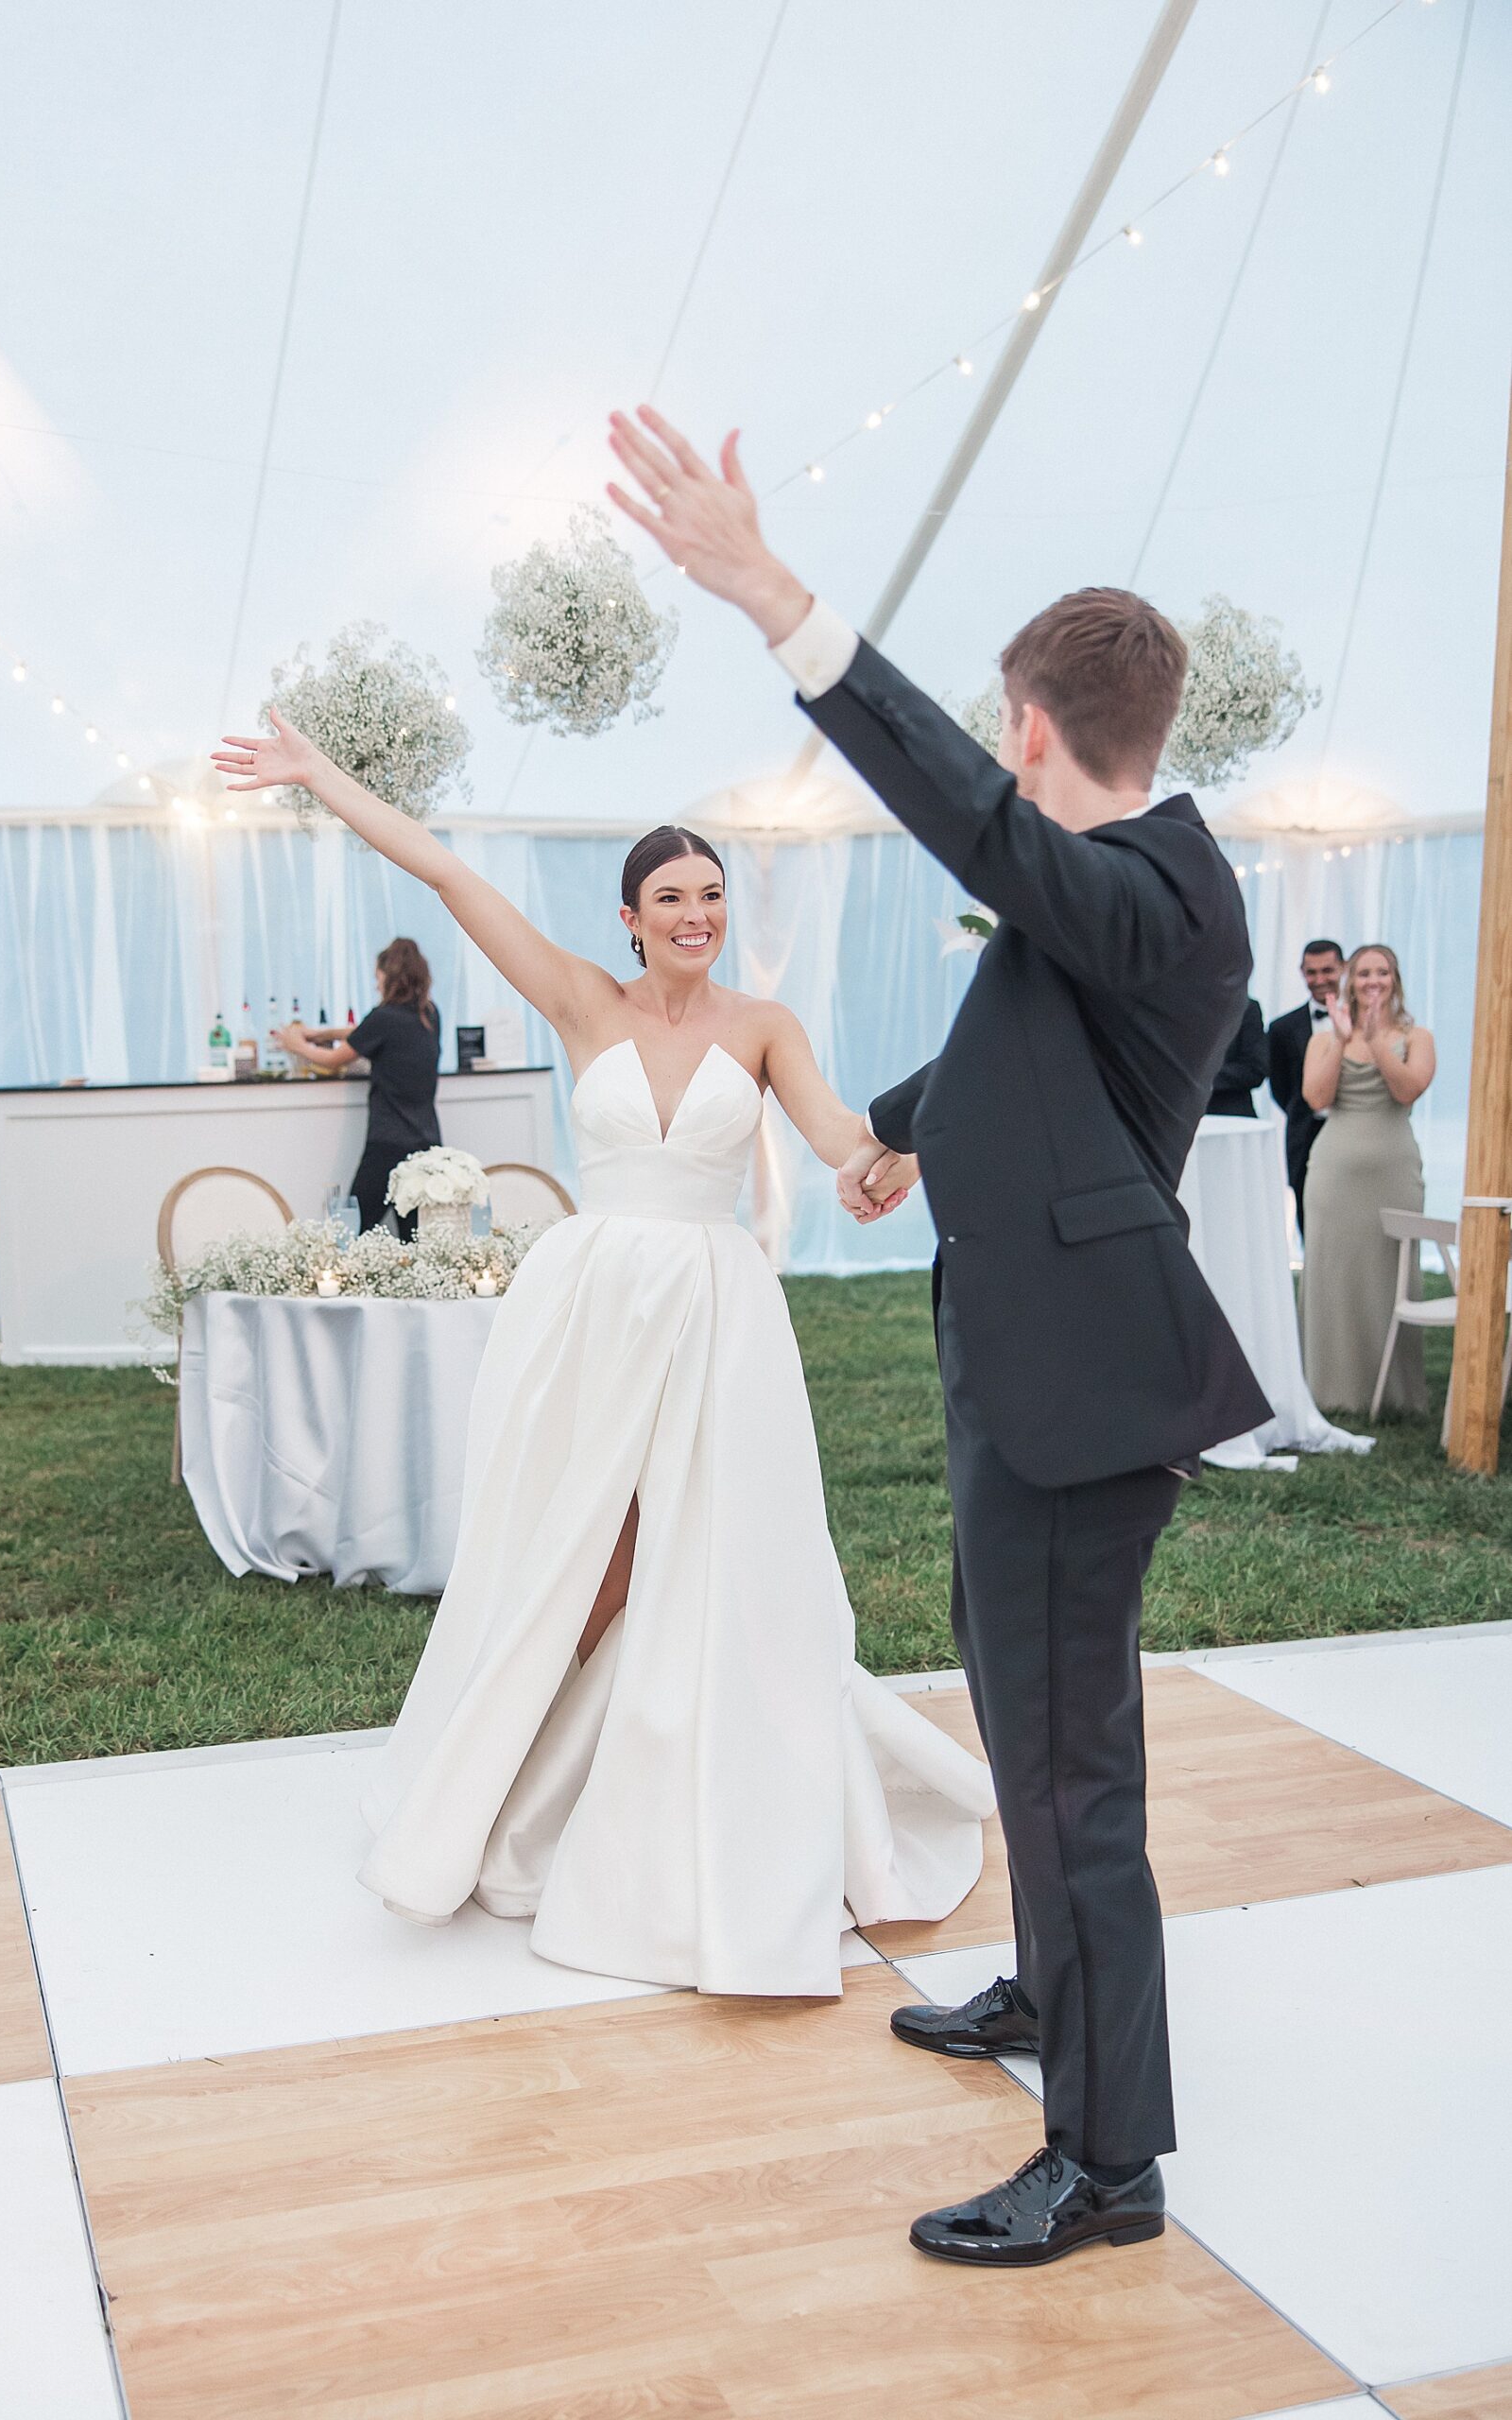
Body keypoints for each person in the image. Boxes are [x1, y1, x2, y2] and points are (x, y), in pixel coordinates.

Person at [605, 402, 1268, 2273]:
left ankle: (1110, 2163)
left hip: (1082, 1392)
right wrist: (888, 1119)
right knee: (1020, 1710)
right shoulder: (1108, 909)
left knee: (1072, 1773)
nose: (996, 758)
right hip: (1019, 1361)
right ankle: (1052, 1995)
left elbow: (977, 828)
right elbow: (1017, 1052)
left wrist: (775, 601)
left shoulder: (1155, 887)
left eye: (1001, 733)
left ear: (1030, 728)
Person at [211, 721, 996, 1999]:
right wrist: (318, 779)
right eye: (670, 900)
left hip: (716, 1312)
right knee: (585, 1552)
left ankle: (679, 1803)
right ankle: (528, 1795)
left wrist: (893, 1156)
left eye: (710, 898)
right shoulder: (583, 1000)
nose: (695, 916)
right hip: (593, 1308)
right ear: (629, 917)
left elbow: (840, 1137)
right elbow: (451, 878)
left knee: (711, 1554)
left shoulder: (763, 1023)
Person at [1299, 943, 1435, 1416]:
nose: (1373, 980)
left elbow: (1407, 1089)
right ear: (1349, 982)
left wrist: (1377, 1040)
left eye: (1383, 972)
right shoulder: (1322, 1039)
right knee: (1334, 1275)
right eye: (1363, 973)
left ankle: (1394, 1395)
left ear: (1394, 980)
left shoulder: (1417, 1037)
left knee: (1389, 1276)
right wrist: (1340, 1039)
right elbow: (1316, 1097)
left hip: (1394, 1173)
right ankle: (1332, 1392)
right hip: (1334, 1177)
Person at [274, 939, 441, 1237]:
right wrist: (321, 1033)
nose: (376, 984)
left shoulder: (384, 1018)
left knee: (354, 1230)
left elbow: (333, 1060)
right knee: (415, 1238)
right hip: (426, 1143)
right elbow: (367, 1032)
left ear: (389, 976)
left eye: (378, 977)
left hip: (388, 1144)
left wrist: (296, 1044)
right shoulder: (428, 1014)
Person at [1267, 940, 1346, 1236]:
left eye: (1328, 970)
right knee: (1308, 1216)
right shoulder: (1282, 1028)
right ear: (1302, 972)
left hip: (1353, 1127)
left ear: (1343, 967)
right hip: (1306, 1133)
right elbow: (1281, 1088)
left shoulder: (1365, 1022)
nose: (1319, 979)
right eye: (1311, 972)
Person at [1205, 995, 1267, 1117]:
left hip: (1231, 1116)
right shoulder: (1174, 1006)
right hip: (1176, 1117)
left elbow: (1256, 1069)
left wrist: (1204, 1079)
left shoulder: (1245, 1008)